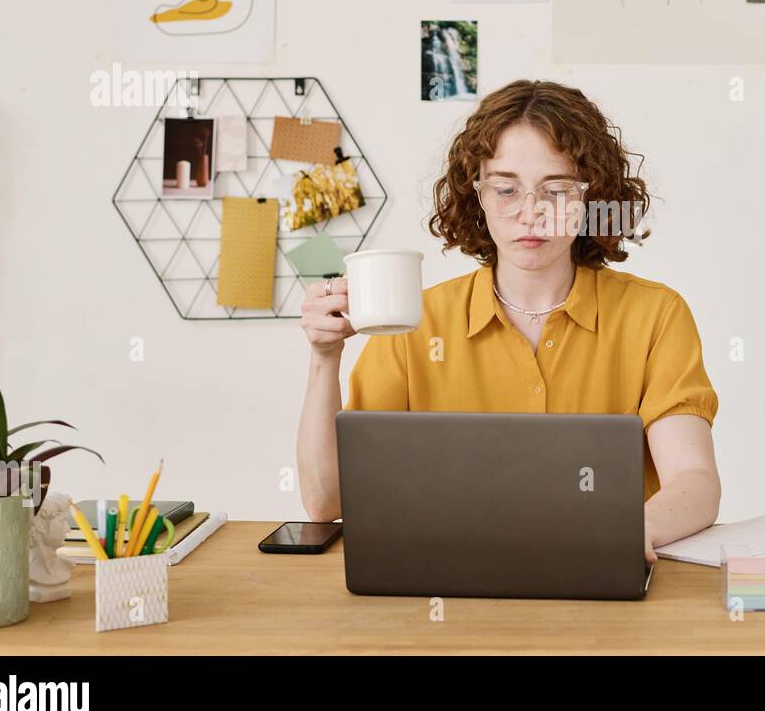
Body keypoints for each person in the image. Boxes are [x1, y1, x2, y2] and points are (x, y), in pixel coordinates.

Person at [296, 79, 721, 563]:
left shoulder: (656, 315)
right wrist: (323, 357)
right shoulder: (415, 323)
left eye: (556, 189)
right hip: (447, 586)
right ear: (477, 196)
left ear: (592, 197)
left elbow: (695, 483)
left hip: (605, 581)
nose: (530, 212)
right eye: (505, 188)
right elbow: (324, 502)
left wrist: (625, 533)